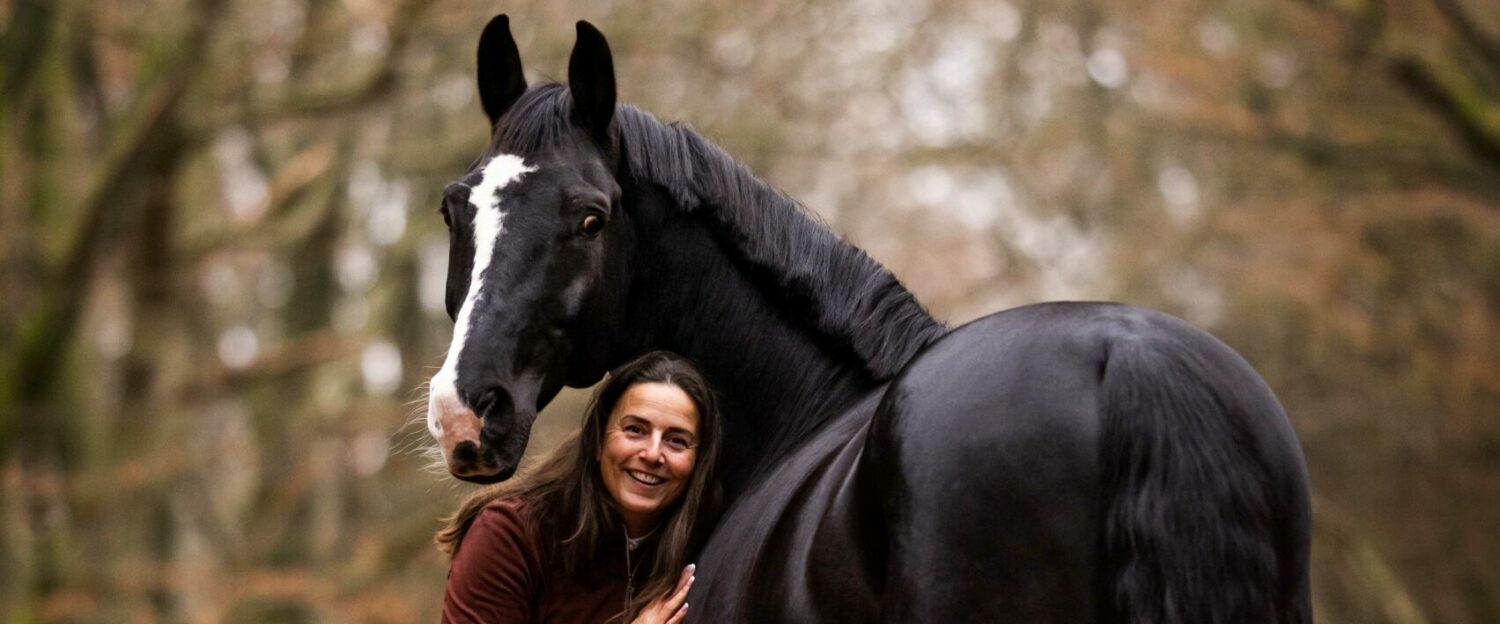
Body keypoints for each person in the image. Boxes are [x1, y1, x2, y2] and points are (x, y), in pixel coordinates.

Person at [438, 351, 723, 624]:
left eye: (676, 440)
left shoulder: (710, 546)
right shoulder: (512, 535)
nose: (652, 454)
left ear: (699, 460)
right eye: (635, 430)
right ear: (598, 439)